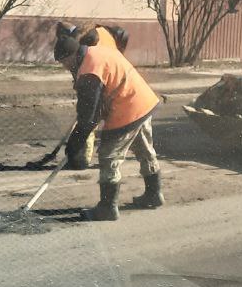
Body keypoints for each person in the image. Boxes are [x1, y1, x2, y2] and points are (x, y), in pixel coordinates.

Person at [54, 26, 163, 220]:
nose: (64, 67)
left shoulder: (89, 71)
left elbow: (89, 117)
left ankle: (107, 208)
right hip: (143, 100)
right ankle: (154, 194)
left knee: (108, 157)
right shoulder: (96, 50)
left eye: (63, 63)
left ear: (70, 56)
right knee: (145, 150)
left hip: (127, 109)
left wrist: (75, 143)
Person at [53, 22, 129, 168]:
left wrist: (84, 96)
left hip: (106, 80)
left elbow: (86, 68)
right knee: (91, 116)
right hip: (109, 76)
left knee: (89, 119)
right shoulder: (93, 33)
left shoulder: (86, 41)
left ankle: (83, 159)